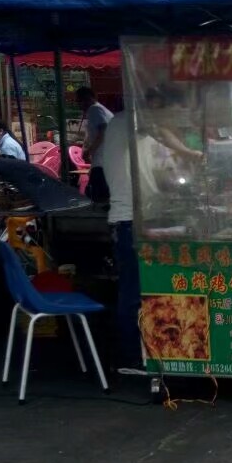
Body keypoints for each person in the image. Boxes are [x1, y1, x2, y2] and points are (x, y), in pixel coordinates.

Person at [99, 103, 144, 372]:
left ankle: (137, 352)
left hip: (131, 220)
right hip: (129, 222)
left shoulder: (122, 122)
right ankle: (131, 358)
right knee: (132, 292)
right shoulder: (130, 120)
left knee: (134, 290)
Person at [76, 86, 113, 204]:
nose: (79, 105)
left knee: (97, 197)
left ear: (86, 99)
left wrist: (89, 151)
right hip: (107, 161)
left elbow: (103, 130)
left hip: (102, 161)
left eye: (79, 101)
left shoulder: (94, 109)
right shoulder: (101, 110)